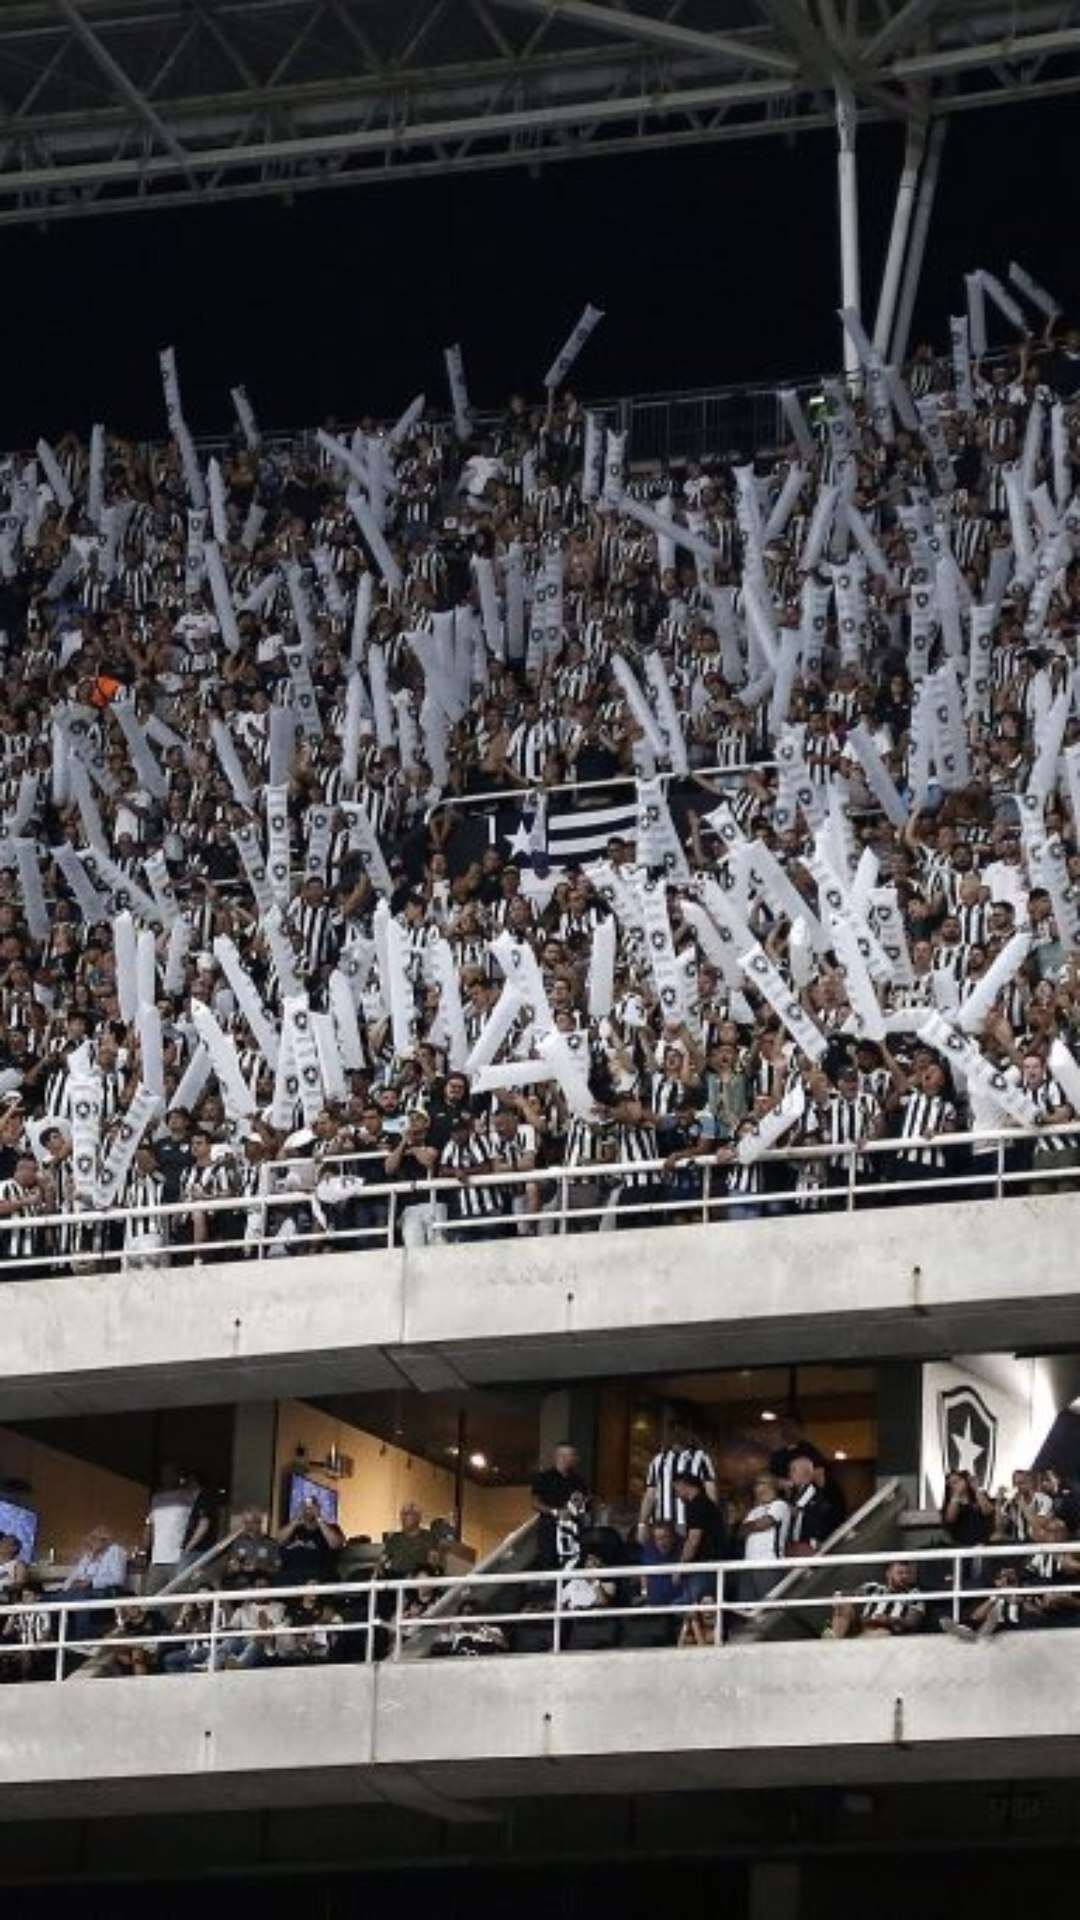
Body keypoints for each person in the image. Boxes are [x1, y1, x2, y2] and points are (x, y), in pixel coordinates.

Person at [62, 1525, 129, 1649]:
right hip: (82, 1590)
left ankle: (82, 1641)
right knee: (54, 1597)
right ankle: (59, 1640)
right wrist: (68, 1586)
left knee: (81, 1597)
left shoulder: (116, 1551)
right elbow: (74, 1575)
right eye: (90, 1538)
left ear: (105, 1540)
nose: (90, 1542)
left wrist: (91, 1583)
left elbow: (118, 1579)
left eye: (94, 1538)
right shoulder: (88, 1556)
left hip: (106, 1591)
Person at [826, 1561, 926, 1640]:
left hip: (886, 1629)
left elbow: (913, 1621)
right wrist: (839, 1596)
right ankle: (835, 1643)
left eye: (907, 1573)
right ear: (888, 1573)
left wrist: (888, 1620)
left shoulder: (913, 1594)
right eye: (900, 1573)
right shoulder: (874, 1587)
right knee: (843, 1605)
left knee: (882, 1632)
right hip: (862, 1624)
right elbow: (853, 1594)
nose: (904, 1576)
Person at [531, 1442, 590, 1572]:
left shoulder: (578, 1480)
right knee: (550, 1563)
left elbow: (586, 1501)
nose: (571, 1458)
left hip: (573, 1529)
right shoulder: (544, 1478)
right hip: (550, 1528)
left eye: (572, 1455)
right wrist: (555, 1512)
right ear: (558, 1456)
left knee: (574, 1563)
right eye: (567, 1455)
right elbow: (535, 1502)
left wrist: (580, 1504)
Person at [738, 1474, 792, 1602]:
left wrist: (752, 1525)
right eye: (757, 1484)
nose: (758, 1487)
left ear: (772, 1486)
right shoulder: (754, 1510)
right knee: (746, 1607)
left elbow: (765, 1523)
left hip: (769, 1563)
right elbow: (740, 1532)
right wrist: (755, 1525)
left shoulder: (780, 1505)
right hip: (749, 1565)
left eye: (762, 1483)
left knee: (767, 1607)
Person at [276, 1495, 345, 1587]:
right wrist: (296, 1520)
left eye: (312, 1507)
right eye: (304, 1507)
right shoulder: (293, 1527)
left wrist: (319, 1519)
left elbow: (335, 1544)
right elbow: (279, 1540)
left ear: (319, 1508)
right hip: (290, 1577)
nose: (308, 1510)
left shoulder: (331, 1527)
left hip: (319, 1575)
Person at [786, 1452, 846, 1557]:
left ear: (806, 1473)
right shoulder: (793, 1495)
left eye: (793, 1470)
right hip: (793, 1550)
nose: (789, 1474)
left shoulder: (819, 1497)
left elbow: (823, 1524)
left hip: (809, 1550)